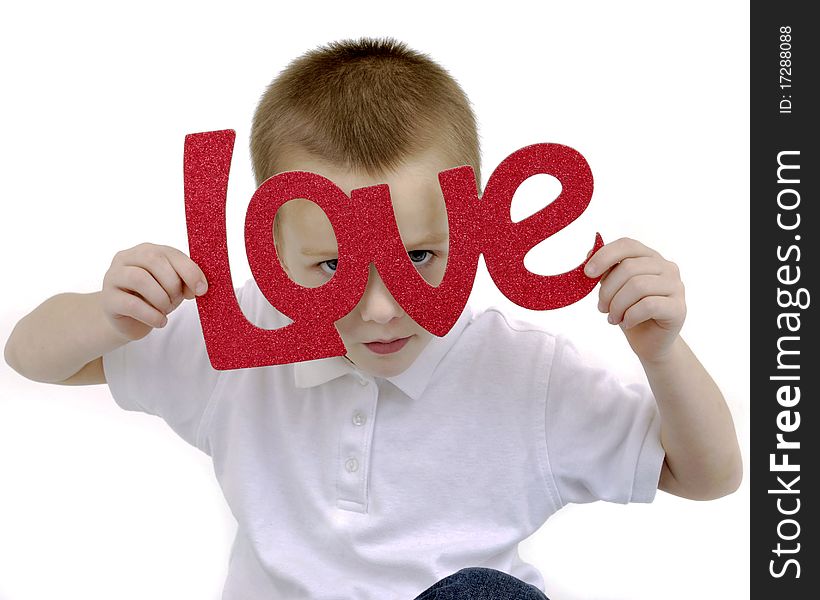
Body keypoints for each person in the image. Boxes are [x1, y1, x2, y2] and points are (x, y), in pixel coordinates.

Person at [4, 37, 742, 600]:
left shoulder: (524, 373)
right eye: (331, 267)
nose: (384, 306)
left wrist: (663, 354)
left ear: (474, 227)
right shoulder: (235, 340)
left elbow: (706, 475)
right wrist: (110, 315)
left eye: (420, 255)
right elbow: (31, 355)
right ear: (271, 250)